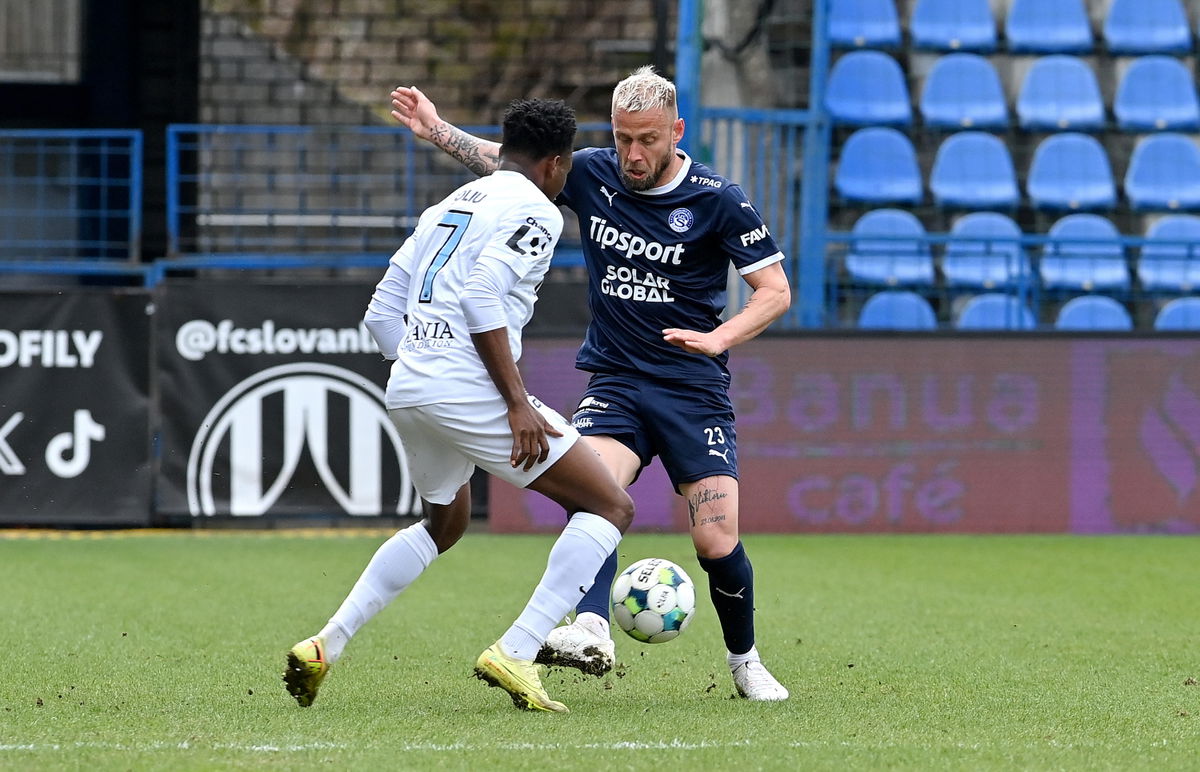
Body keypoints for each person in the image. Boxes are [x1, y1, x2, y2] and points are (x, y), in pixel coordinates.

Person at [390, 66, 791, 701]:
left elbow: (774, 290)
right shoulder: (592, 172)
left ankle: (746, 664)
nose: (633, 154)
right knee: (597, 494)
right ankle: (592, 628)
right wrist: (437, 129)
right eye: (623, 138)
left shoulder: (718, 198)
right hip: (617, 382)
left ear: (676, 131)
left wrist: (719, 338)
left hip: (692, 390)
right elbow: (505, 161)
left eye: (648, 140)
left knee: (715, 538)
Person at [283, 97, 635, 714]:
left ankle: (325, 644)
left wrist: (422, 366)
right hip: (468, 388)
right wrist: (516, 403)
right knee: (610, 505)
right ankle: (518, 650)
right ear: (556, 163)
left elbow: (379, 313)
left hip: (409, 384)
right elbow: (480, 296)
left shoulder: (446, 207)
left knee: (444, 525)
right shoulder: (538, 210)